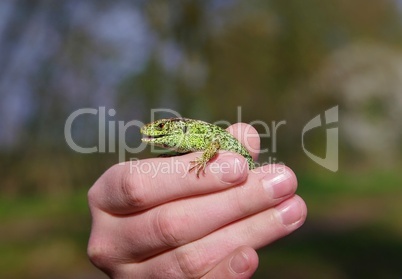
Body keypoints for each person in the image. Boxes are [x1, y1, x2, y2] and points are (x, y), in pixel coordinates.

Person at [87, 123, 307, 278]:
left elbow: (213, 143)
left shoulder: (194, 134)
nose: (152, 132)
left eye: (162, 128)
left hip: (248, 171)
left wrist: (203, 159)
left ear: (180, 128)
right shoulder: (186, 140)